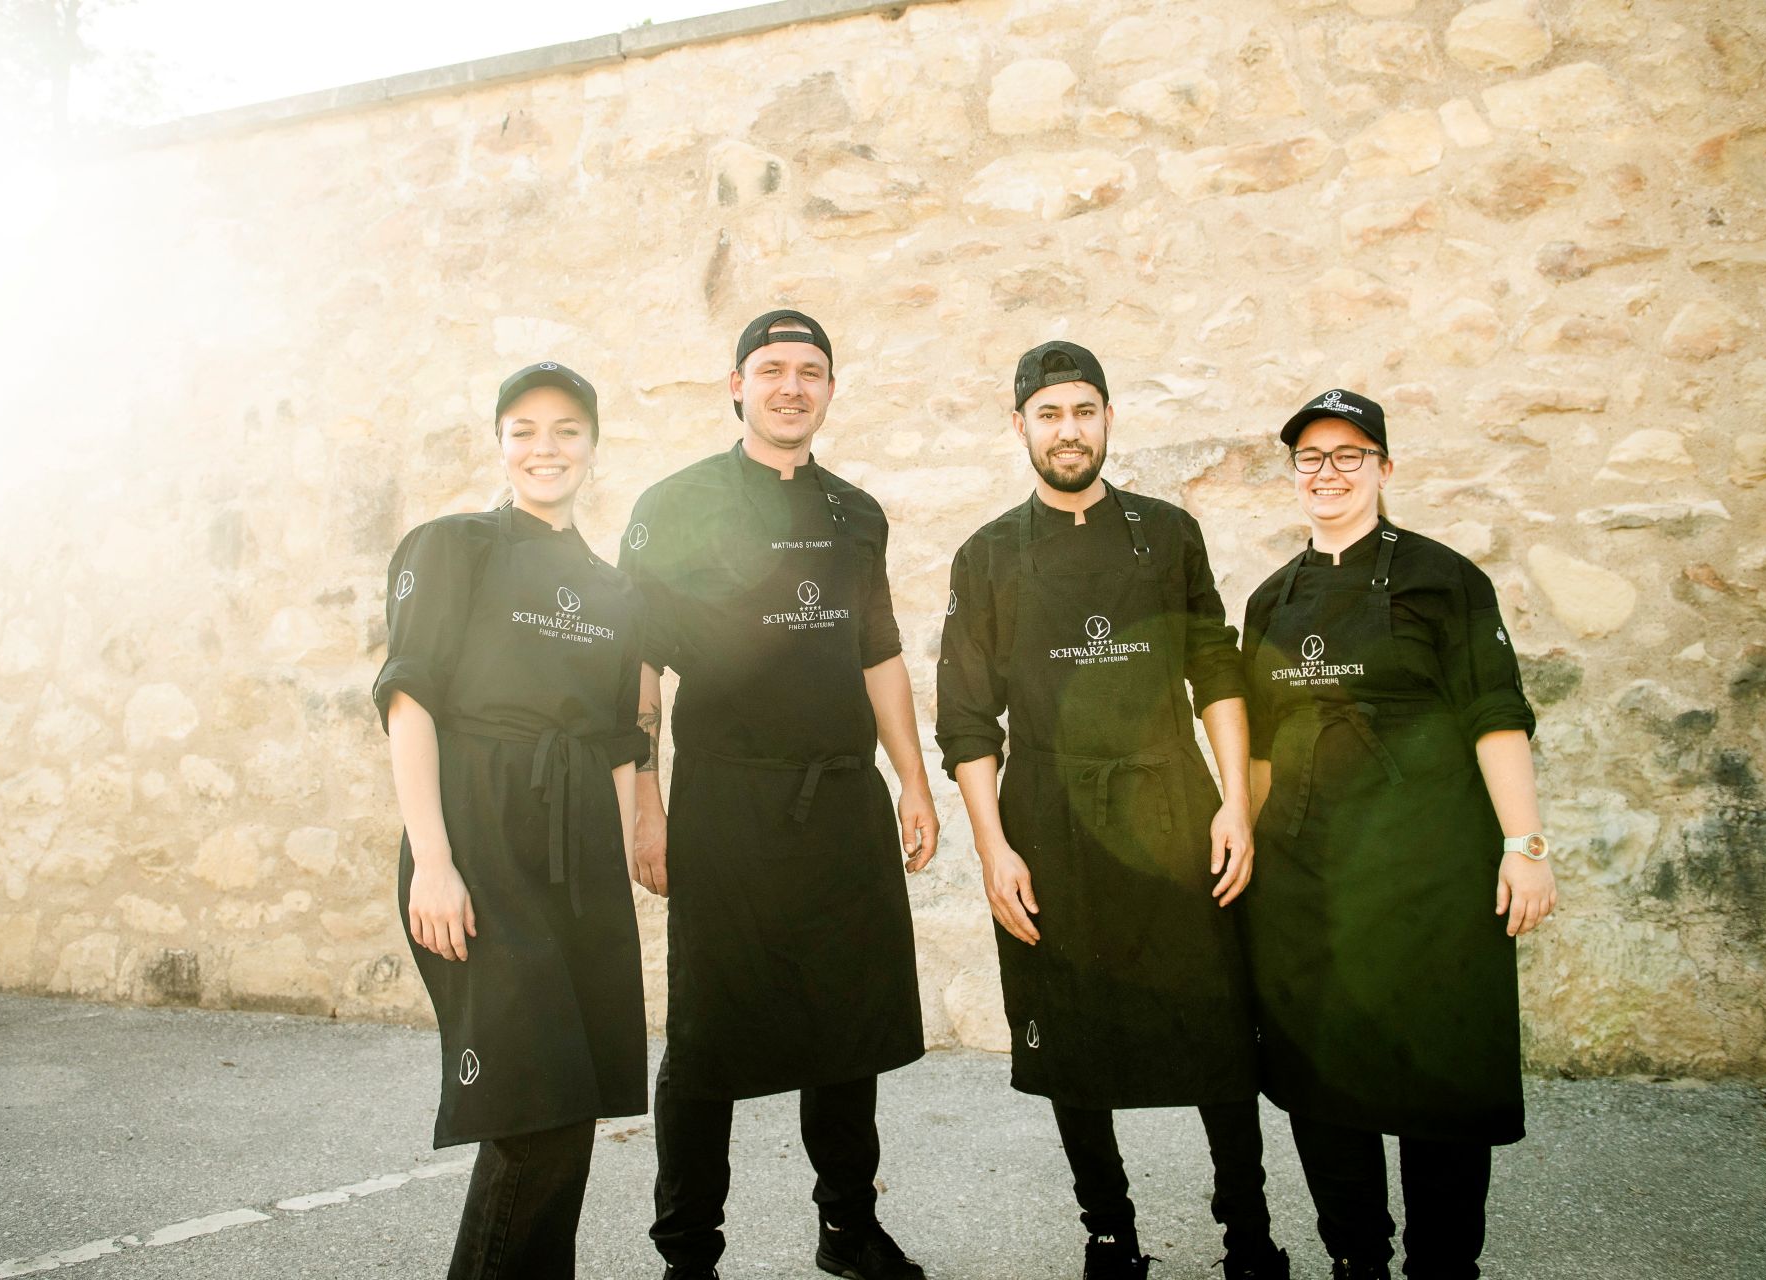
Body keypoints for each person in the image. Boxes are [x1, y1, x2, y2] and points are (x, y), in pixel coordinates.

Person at [935, 340, 1288, 1280]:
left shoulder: (1168, 534)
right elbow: (968, 721)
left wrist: (1235, 807)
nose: (1068, 430)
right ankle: (1109, 1232)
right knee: (1072, 1030)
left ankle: (1247, 1234)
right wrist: (993, 849)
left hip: (1172, 800)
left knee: (1215, 1024)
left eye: (1083, 410)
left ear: (1108, 420)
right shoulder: (987, 558)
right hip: (1050, 815)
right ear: (1019, 427)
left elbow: (1216, 666)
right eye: (1048, 414)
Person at [619, 310, 940, 1280]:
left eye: (810, 370)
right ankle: (689, 1253)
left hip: (841, 798)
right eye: (771, 368)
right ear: (736, 383)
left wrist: (914, 784)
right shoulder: (674, 504)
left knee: (848, 1029)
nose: (791, 385)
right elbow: (637, 667)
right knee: (706, 1040)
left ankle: (848, 1226)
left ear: (830, 389)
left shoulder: (857, 510)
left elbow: (876, 647)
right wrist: (645, 804)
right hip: (728, 804)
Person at [1240, 389, 1559, 1280]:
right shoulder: (1270, 600)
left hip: (1433, 875)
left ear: (1384, 468)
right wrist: (1248, 848)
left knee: (1438, 1081)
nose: (1327, 474)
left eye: (1349, 456)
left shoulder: (1444, 578)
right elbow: (1261, 750)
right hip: (1307, 885)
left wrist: (1524, 845)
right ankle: (1357, 1260)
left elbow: (1495, 714)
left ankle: (1444, 1266)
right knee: (1322, 1082)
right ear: (1294, 474)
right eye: (1311, 457)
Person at [372, 362, 648, 1279]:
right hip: (477, 847)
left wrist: (611, 890)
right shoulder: (452, 547)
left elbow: (618, 745)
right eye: (524, 429)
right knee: (533, 1116)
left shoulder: (611, 591)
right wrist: (433, 864)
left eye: (567, 430)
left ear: (593, 448)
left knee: (568, 1112)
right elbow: (409, 703)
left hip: (577, 861)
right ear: (499, 442)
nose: (546, 448)